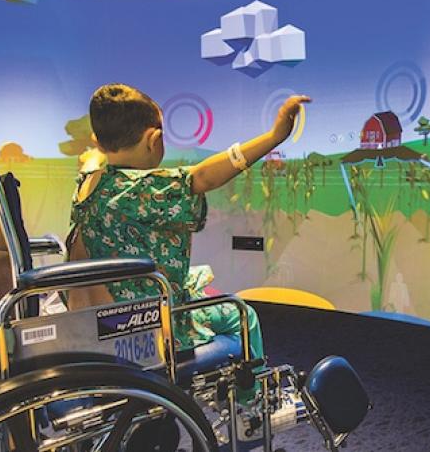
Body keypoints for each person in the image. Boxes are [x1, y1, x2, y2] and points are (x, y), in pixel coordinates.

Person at [65, 83, 309, 374]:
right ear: (153, 140)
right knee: (243, 316)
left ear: (99, 141)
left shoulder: (88, 184)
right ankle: (251, 401)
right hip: (145, 322)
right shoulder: (142, 189)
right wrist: (275, 136)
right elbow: (204, 176)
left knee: (199, 283)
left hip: (103, 319)